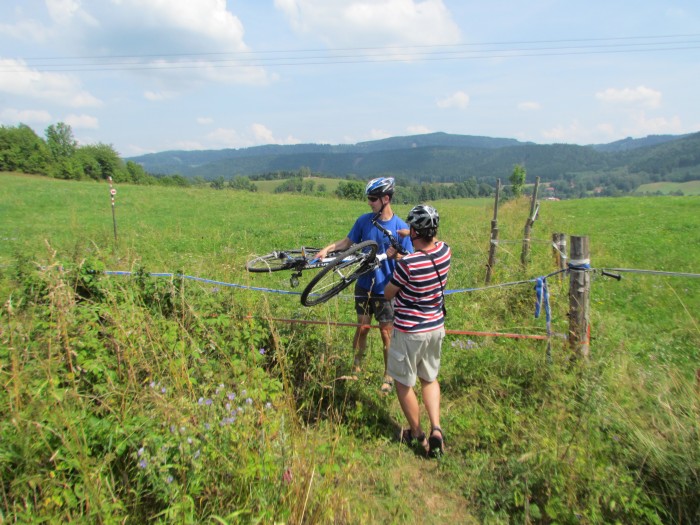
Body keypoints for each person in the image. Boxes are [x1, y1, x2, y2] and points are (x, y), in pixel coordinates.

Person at [316, 177, 413, 393]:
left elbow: (410, 261)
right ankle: (356, 368)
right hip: (363, 284)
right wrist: (327, 249)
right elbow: (347, 242)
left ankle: (388, 376)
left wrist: (396, 256)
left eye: (373, 199)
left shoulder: (401, 228)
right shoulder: (364, 221)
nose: (369, 202)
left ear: (386, 199)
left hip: (386, 289)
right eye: (368, 198)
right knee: (362, 328)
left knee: (386, 333)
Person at [383, 204, 451, 457]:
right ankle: (437, 429)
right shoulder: (445, 252)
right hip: (435, 327)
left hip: (409, 330)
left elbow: (388, 292)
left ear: (415, 232)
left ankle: (417, 434)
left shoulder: (408, 264)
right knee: (429, 378)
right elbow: (432, 247)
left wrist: (397, 259)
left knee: (403, 383)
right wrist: (406, 234)